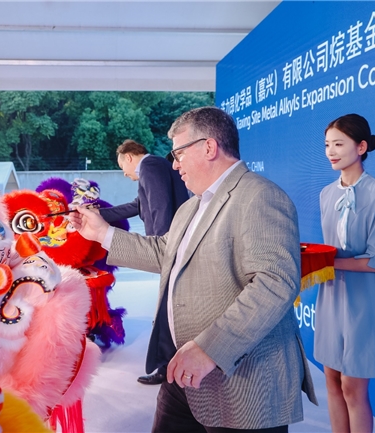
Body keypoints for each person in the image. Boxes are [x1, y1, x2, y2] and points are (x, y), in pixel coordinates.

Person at [71, 106, 316, 432]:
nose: (174, 164)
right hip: (183, 373)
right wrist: (102, 233)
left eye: (178, 153)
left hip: (240, 383)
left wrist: (209, 348)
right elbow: (165, 253)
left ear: (209, 147)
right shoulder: (191, 206)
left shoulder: (260, 196)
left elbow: (274, 284)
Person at [315, 114, 375, 433]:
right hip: (331, 294)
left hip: (363, 299)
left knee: (353, 387)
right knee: (331, 379)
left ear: (361, 147)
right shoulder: (326, 194)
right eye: (327, 145)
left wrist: (326, 263)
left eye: (338, 144)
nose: (331, 152)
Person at [98, 139, 190, 385]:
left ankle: (166, 368)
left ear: (129, 157)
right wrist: (97, 214)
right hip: (171, 247)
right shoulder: (155, 167)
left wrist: (159, 248)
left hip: (169, 249)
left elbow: (161, 208)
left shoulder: (149, 166)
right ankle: (171, 365)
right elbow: (136, 206)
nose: (124, 173)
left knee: (167, 312)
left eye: (122, 167)